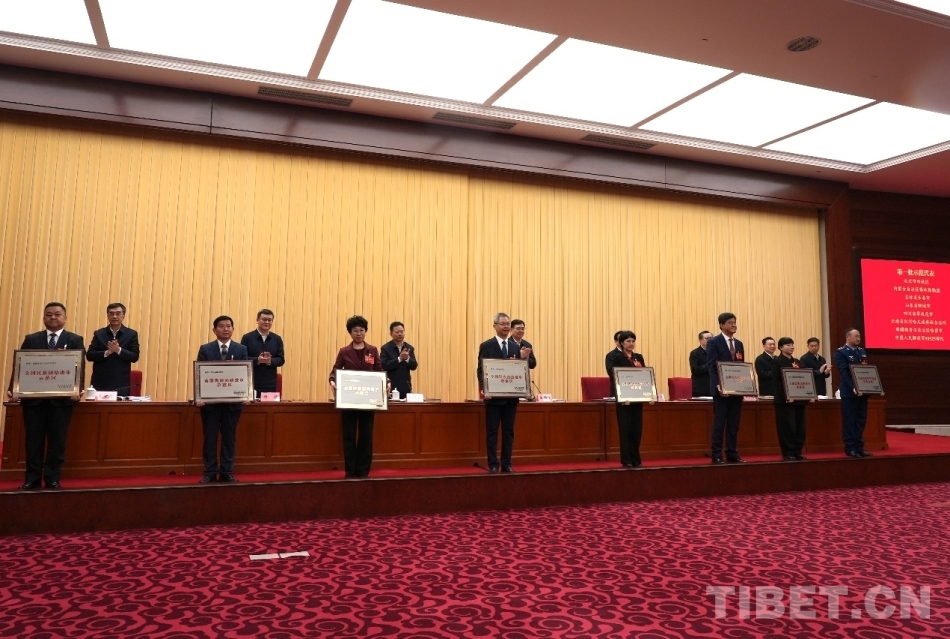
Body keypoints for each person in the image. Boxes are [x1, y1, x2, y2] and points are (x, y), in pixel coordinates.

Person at [6, 302, 86, 490]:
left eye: (57, 314)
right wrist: (13, 389)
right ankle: (32, 479)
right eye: (49, 314)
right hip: (34, 402)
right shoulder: (31, 339)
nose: (53, 317)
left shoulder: (74, 340)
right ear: (43, 318)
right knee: (33, 442)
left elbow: (80, 367)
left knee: (57, 442)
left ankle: (52, 479)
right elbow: (20, 365)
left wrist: (78, 390)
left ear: (65, 318)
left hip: (62, 402)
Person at [330, 315, 386, 478]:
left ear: (365, 331)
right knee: (348, 436)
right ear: (350, 332)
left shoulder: (373, 350)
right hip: (348, 400)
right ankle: (350, 471)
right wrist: (332, 381)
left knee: (366, 437)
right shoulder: (344, 351)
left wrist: (387, 382)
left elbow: (379, 370)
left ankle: (363, 472)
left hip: (368, 401)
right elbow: (335, 371)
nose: (359, 333)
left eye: (362, 330)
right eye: (355, 330)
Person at [195, 315, 249, 483]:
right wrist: (199, 396)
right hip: (210, 404)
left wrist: (247, 395)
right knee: (210, 438)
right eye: (221, 326)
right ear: (214, 330)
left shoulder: (241, 349)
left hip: (233, 404)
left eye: (228, 326)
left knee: (229, 438)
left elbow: (245, 374)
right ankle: (210, 471)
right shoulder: (206, 349)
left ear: (233, 329)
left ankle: (226, 471)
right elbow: (200, 374)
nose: (225, 329)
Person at [476, 312, 530, 473]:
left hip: (510, 398)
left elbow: (518, 370)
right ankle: (493, 464)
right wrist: (484, 388)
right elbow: (481, 370)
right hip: (493, 397)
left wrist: (523, 360)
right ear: (495, 326)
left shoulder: (515, 346)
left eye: (508, 324)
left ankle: (507, 463)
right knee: (492, 432)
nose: (506, 326)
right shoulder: (487, 345)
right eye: (503, 324)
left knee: (509, 432)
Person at [706, 312, 746, 464]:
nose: (734, 325)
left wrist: (744, 386)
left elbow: (741, 367)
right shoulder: (714, 342)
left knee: (734, 424)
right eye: (730, 322)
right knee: (719, 423)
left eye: (735, 322)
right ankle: (716, 454)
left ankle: (732, 453)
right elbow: (712, 366)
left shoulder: (739, 344)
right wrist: (719, 385)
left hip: (736, 390)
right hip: (721, 391)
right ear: (722, 325)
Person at [605, 330, 647, 468]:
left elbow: (644, 376)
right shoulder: (615, 357)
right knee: (625, 429)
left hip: (638, 397)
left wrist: (649, 394)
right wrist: (625, 392)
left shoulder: (638, 357)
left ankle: (636, 458)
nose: (631, 343)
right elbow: (613, 374)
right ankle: (627, 459)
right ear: (621, 343)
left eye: (633, 341)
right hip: (624, 398)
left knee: (637, 430)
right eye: (628, 341)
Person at [834, 328, 873, 458]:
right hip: (849, 393)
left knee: (861, 420)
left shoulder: (861, 351)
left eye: (859, 336)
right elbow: (844, 372)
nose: (858, 339)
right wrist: (853, 387)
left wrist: (872, 387)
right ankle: (850, 447)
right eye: (856, 336)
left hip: (863, 392)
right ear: (848, 337)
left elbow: (866, 371)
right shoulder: (841, 352)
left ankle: (859, 446)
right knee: (849, 421)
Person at [86, 302, 140, 394]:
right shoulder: (99, 334)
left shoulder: (131, 334)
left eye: (118, 314)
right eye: (111, 313)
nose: (114, 316)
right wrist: (107, 352)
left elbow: (134, 356)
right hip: (100, 382)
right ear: (107, 316)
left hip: (121, 382)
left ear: (123, 316)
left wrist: (118, 350)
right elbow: (89, 355)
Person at [771, 337, 810, 461]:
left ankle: (797, 451)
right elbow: (777, 381)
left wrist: (808, 395)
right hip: (785, 401)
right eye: (788, 345)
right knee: (787, 427)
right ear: (780, 348)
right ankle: (788, 452)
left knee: (800, 427)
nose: (791, 347)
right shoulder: (777, 361)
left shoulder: (797, 361)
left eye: (792, 344)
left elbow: (803, 378)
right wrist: (787, 395)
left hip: (799, 400)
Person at [240, 309, 285, 395]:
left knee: (268, 404)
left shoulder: (277, 339)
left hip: (270, 383)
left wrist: (270, 361)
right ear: (257, 320)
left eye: (269, 320)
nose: (267, 322)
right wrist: (258, 360)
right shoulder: (247, 338)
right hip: (251, 381)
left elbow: (281, 359)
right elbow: (243, 359)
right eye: (264, 319)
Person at [380, 321, 418, 398]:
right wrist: (399, 359)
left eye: (402, 332)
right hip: (391, 385)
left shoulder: (409, 347)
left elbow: (414, 366)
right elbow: (384, 365)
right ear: (391, 334)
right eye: (397, 332)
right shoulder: (385, 348)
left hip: (406, 386)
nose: (400, 334)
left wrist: (407, 359)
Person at [689, 330, 712, 397]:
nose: (710, 340)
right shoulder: (695, 353)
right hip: (700, 389)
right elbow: (695, 369)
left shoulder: (715, 352)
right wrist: (710, 366)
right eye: (707, 338)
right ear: (700, 340)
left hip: (714, 388)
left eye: (711, 338)